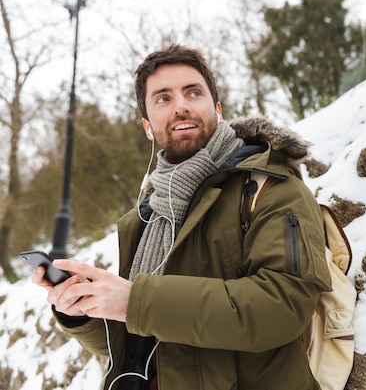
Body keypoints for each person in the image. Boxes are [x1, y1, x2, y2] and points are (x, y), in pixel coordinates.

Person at [32, 44, 332, 390]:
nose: (181, 106)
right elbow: (135, 343)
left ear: (217, 110)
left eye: (193, 92)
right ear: (147, 127)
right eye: (163, 99)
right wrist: (81, 308)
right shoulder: (147, 217)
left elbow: (283, 308)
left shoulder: (269, 185)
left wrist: (136, 301)